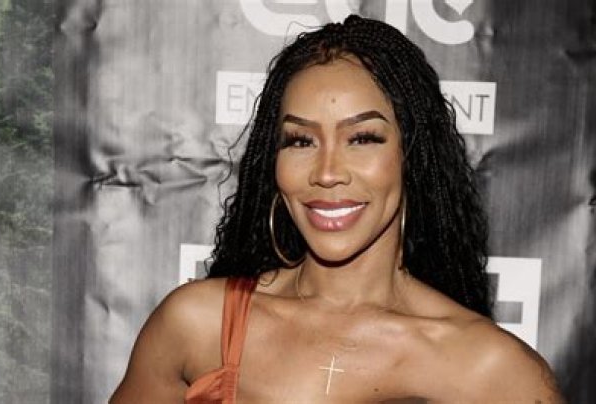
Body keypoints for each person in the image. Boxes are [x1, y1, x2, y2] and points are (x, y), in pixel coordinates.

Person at [111, 14, 565, 403]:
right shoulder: (196, 325)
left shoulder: (492, 370)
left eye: (362, 138)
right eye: (301, 141)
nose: (327, 173)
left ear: (411, 155)